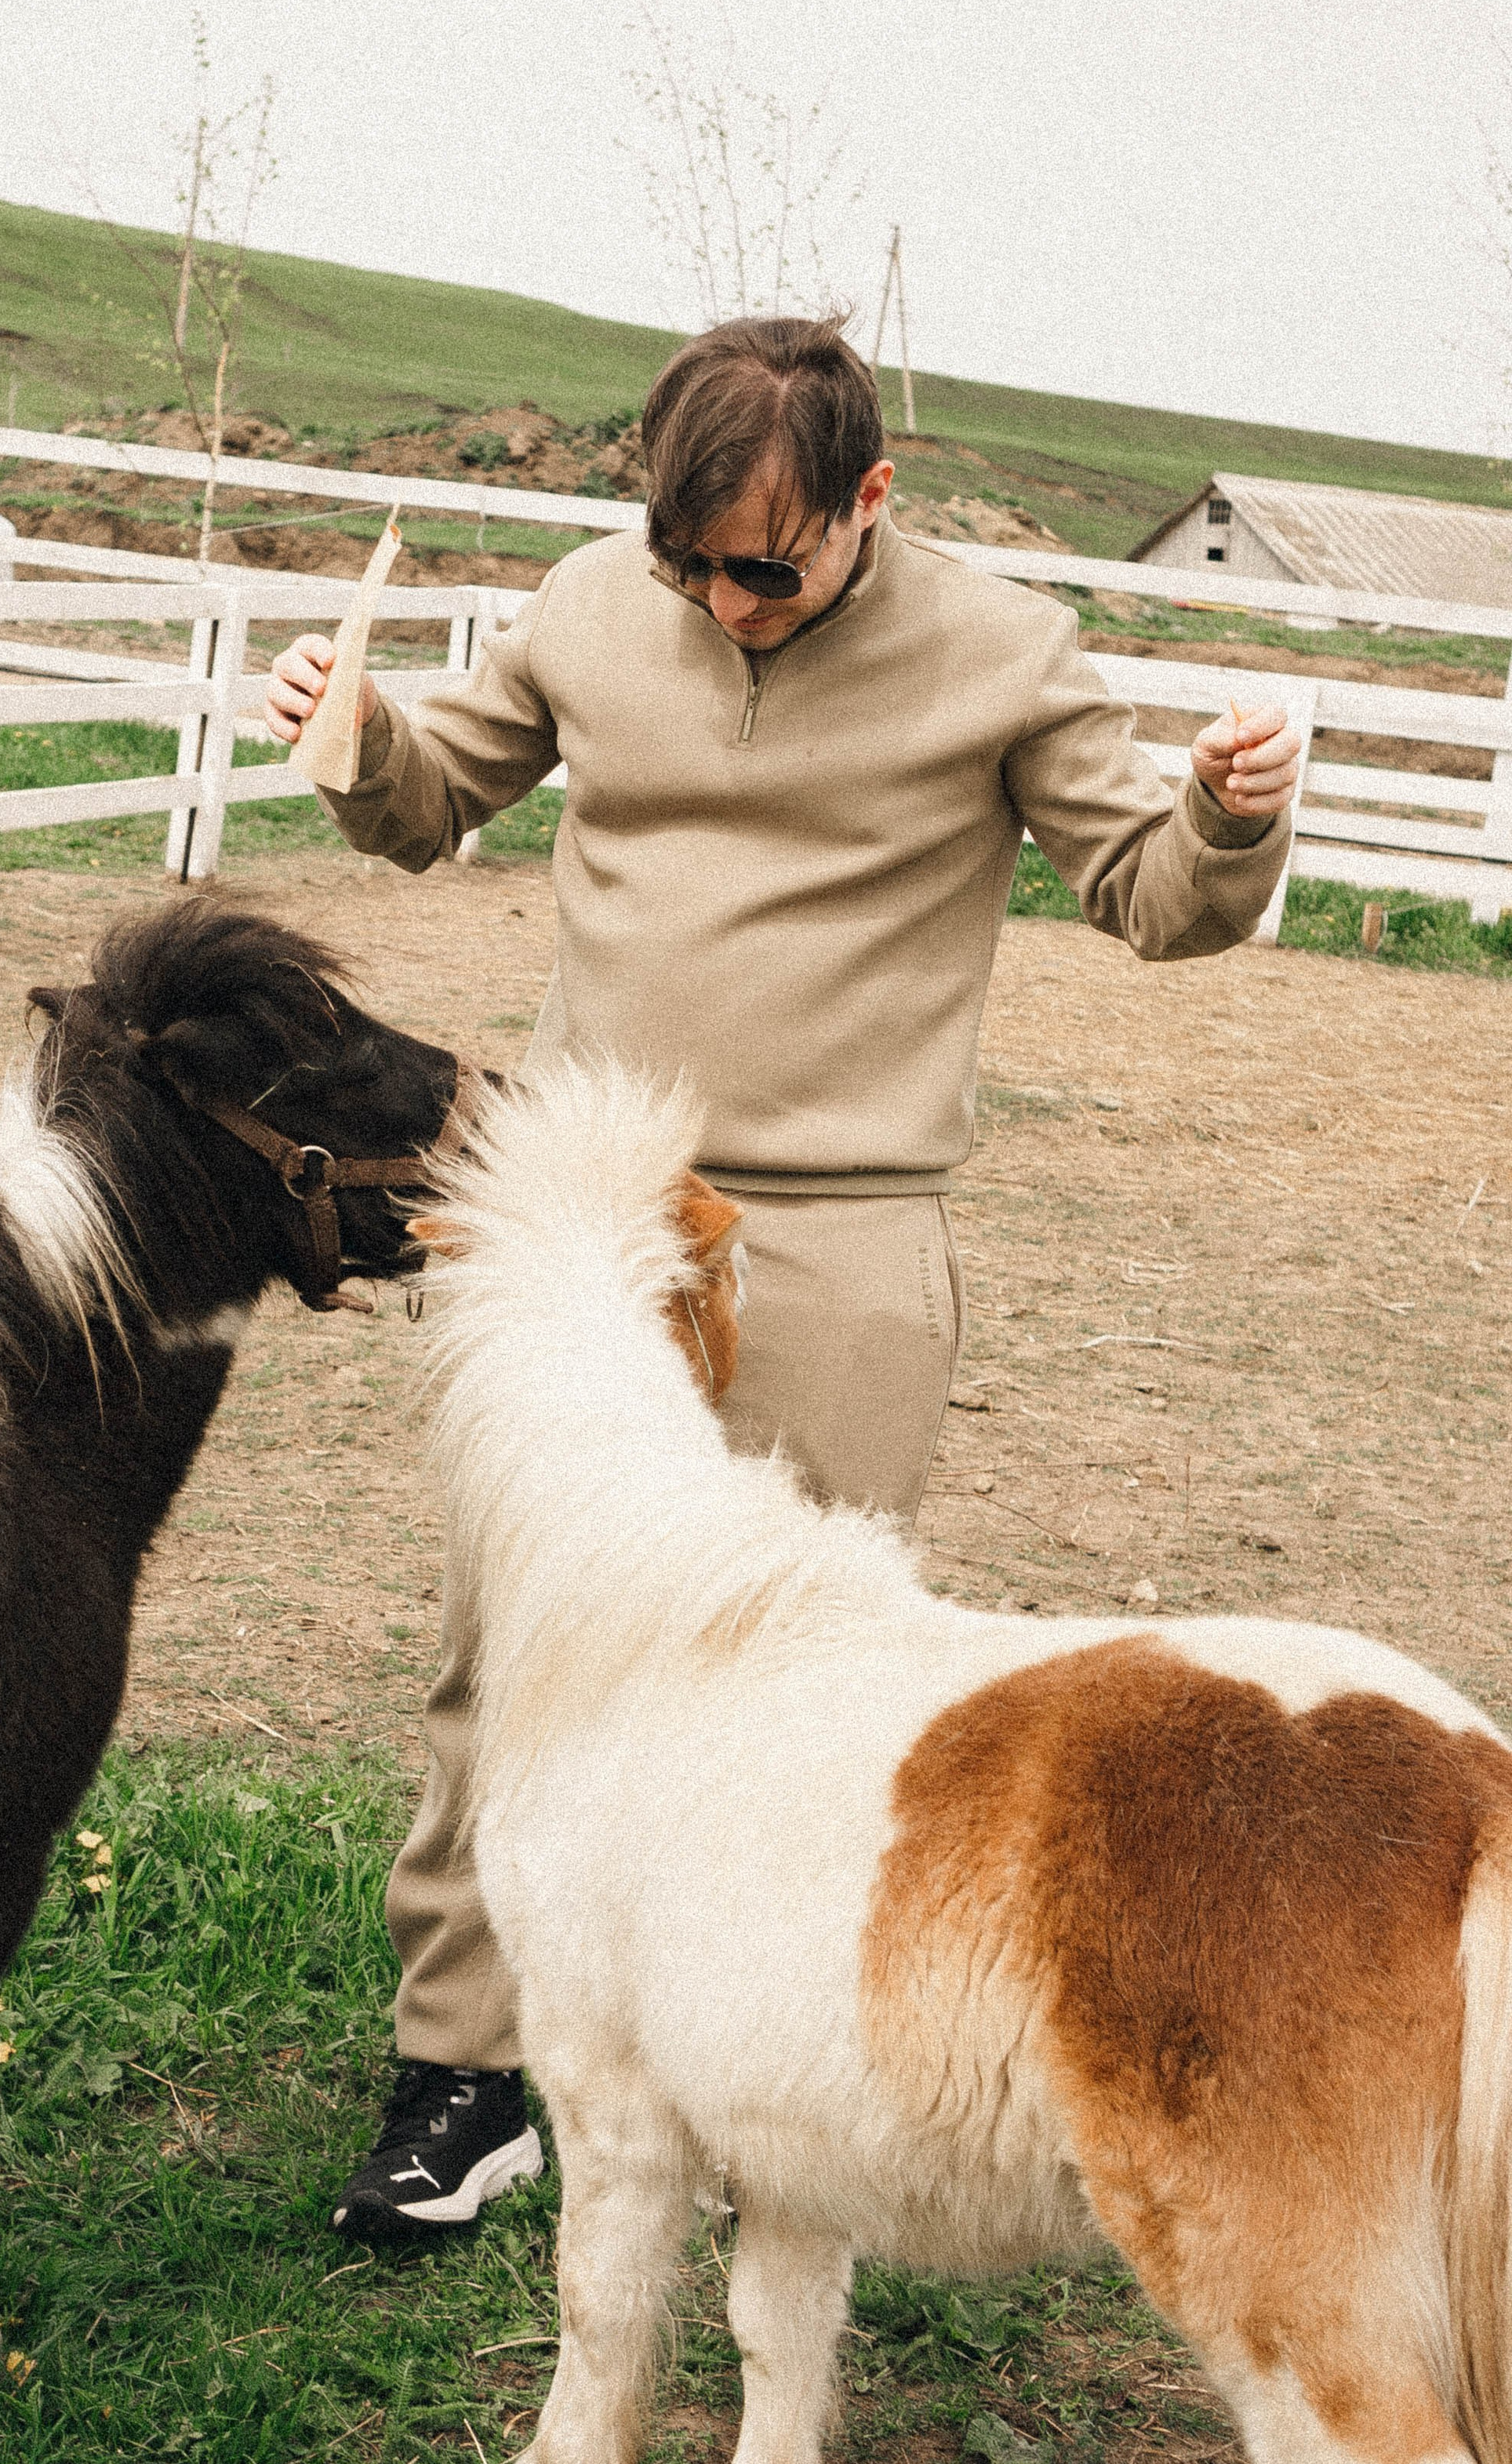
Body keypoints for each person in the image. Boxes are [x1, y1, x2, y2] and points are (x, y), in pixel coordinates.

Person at [260, 315, 1302, 2244]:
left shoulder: (1004, 654)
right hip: (585, 1218)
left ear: (866, 504)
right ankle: (462, 2078)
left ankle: (756, 2092)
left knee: (797, 1688)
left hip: (843, 1239)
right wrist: (358, 732)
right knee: (508, 1655)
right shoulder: (591, 608)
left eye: (766, 564)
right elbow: (429, 806)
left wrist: (1225, 821)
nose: (722, 602)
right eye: (686, 564)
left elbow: (1148, 902)